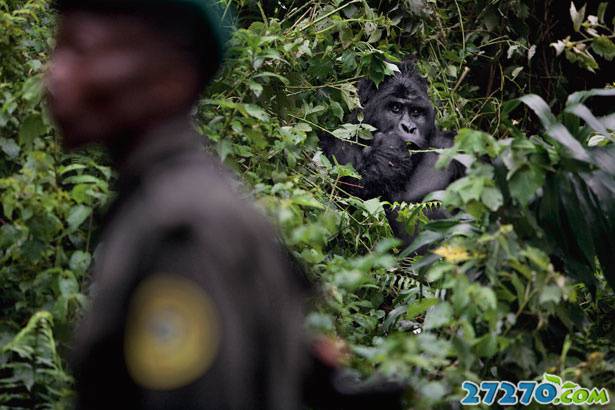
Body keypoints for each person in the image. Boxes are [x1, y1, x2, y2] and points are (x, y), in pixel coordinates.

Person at [46, 1, 404, 409]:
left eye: (81, 49)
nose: (55, 75)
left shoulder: (181, 225)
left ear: (170, 79)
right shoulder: (160, 202)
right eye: (58, 47)